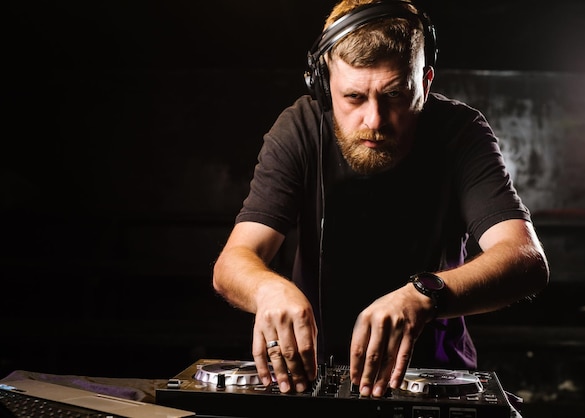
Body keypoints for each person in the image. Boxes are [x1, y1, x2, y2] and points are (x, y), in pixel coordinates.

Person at [212, 0, 549, 399]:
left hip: (434, 379)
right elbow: (232, 263)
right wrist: (268, 289)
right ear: (322, 87)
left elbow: (524, 258)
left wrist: (423, 295)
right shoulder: (299, 128)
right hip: (311, 379)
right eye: (353, 97)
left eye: (394, 95)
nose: (374, 120)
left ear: (424, 84)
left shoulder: (462, 132)